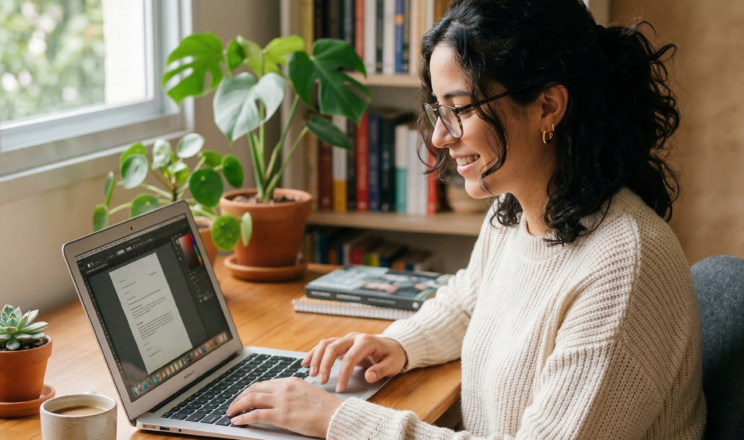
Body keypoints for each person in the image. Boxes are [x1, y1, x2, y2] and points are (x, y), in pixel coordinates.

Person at [225, 0, 706, 438]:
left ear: (548, 107)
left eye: (458, 108)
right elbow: (469, 302)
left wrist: (339, 419)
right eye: (438, 109)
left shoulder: (622, 264)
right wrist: (397, 344)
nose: (439, 136)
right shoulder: (516, 211)